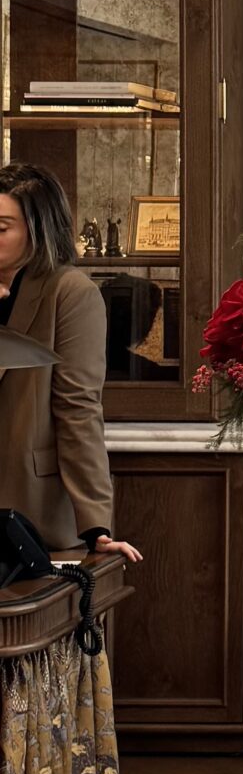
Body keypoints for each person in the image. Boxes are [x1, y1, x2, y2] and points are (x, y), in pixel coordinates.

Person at [0, 163, 141, 564]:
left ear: (37, 228)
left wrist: (96, 526)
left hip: (30, 510)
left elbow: (77, 409)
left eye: (1, 227)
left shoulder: (70, 294)